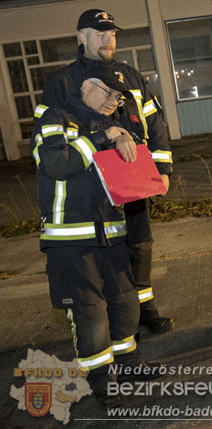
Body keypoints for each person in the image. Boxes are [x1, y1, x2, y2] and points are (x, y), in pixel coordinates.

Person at [31, 65, 162, 409]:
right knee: (90, 313)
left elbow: (129, 168)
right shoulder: (55, 119)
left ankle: (129, 366)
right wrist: (100, 140)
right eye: (107, 93)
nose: (112, 101)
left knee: (125, 303)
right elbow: (56, 165)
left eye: (118, 97)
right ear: (87, 86)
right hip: (71, 239)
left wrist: (137, 156)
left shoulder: (111, 125)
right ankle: (103, 383)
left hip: (112, 231)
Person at [39, 9, 173, 334]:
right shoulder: (62, 82)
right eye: (99, 33)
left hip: (133, 175)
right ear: (81, 37)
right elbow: (50, 136)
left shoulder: (132, 76)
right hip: (92, 183)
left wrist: (163, 167)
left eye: (111, 33)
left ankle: (144, 309)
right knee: (111, 253)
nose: (107, 39)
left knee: (140, 245)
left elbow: (154, 123)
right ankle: (116, 323)